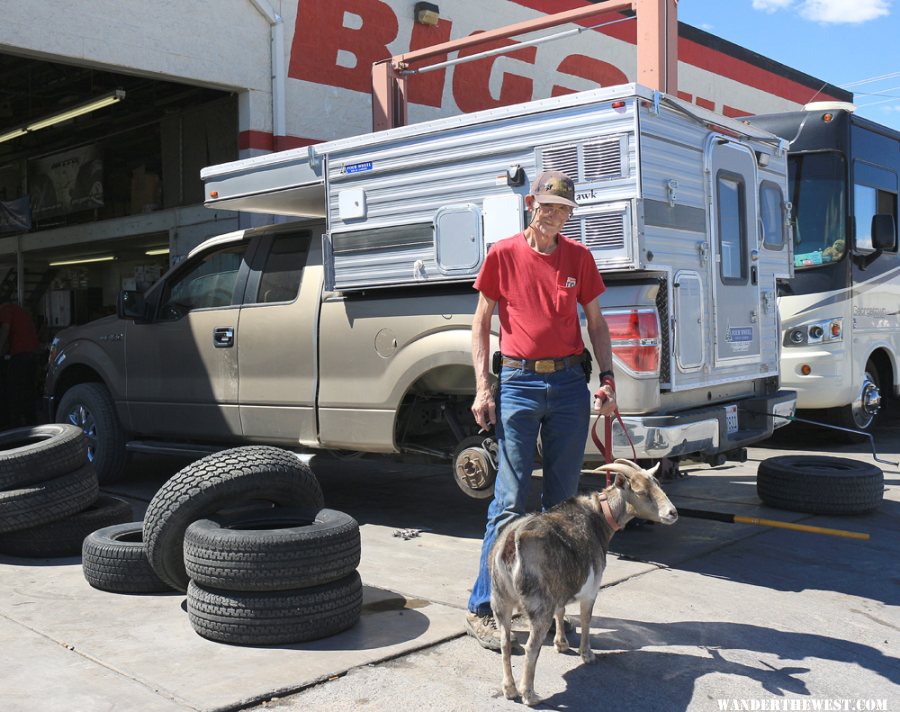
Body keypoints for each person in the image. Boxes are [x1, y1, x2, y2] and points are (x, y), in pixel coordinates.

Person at [465, 169, 617, 650]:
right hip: (519, 382)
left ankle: (550, 612)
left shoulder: (579, 258)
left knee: (561, 507)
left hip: (570, 383)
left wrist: (607, 379)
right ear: (532, 204)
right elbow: (481, 323)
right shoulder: (503, 255)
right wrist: (483, 387)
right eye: (548, 205)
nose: (555, 215)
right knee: (508, 503)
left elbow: (596, 322)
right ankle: (484, 607)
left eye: (564, 209)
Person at [0, 301, 40, 428]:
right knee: (28, 391)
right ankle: (31, 424)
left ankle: (14, 427)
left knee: (13, 392)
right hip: (32, 354)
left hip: (21, 355)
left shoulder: (5, 309)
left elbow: (5, 330)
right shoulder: (19, 310)